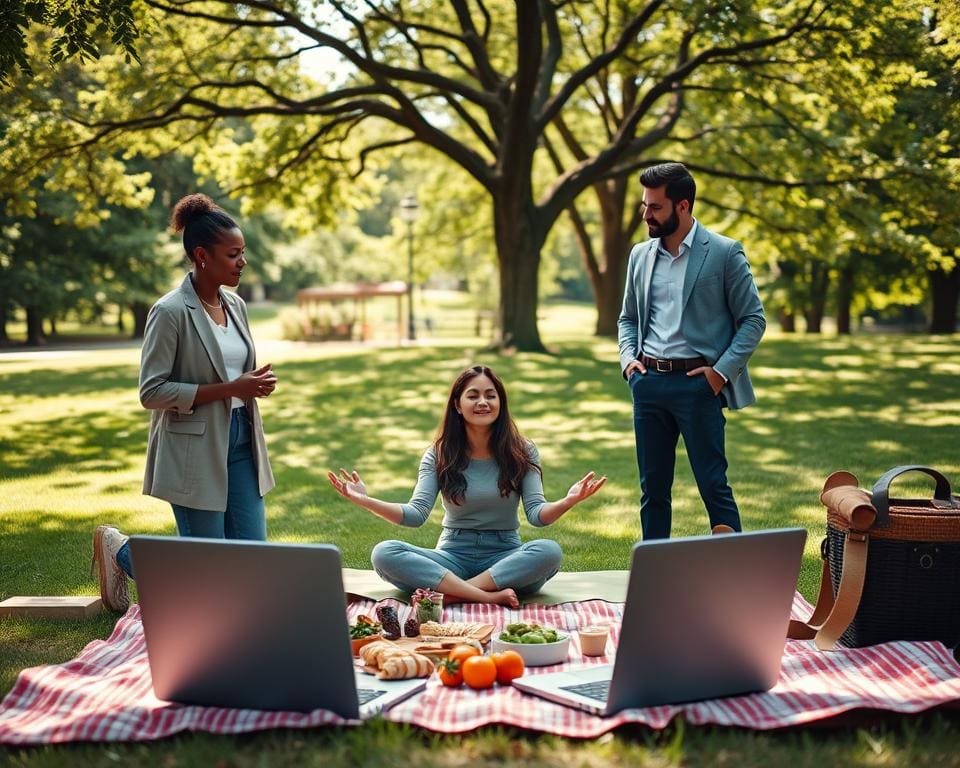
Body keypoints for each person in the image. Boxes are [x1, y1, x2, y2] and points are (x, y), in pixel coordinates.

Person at [91, 193, 278, 612]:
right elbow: (151, 391)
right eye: (233, 254)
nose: (242, 262)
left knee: (254, 562)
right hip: (193, 448)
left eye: (243, 253)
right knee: (205, 571)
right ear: (201, 256)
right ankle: (122, 552)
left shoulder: (237, 305)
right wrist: (231, 389)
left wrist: (252, 386)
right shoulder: (170, 311)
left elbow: (234, 374)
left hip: (243, 441)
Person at [328, 365, 606, 607]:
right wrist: (366, 501)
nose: (483, 402)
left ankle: (454, 594)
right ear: (458, 406)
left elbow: (537, 515)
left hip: (505, 560)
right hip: (451, 558)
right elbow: (415, 515)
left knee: (549, 551)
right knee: (385, 553)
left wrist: (568, 501)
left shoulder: (523, 450)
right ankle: (484, 596)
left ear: (501, 403)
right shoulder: (439, 454)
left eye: (490, 395)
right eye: (473, 395)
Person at [617, 162, 765, 541]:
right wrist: (629, 361)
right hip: (648, 384)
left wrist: (719, 374)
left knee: (714, 486)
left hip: (698, 385)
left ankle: (732, 578)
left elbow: (753, 319)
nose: (646, 214)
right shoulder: (640, 255)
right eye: (644, 205)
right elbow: (628, 318)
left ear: (683, 206)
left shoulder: (723, 252)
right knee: (653, 492)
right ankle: (655, 581)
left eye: (655, 207)